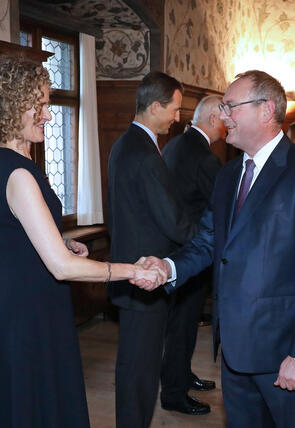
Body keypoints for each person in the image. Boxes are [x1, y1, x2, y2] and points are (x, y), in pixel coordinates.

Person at [0, 55, 162, 427]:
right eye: (38, 106)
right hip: (28, 317)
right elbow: (60, 266)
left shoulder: (15, 163)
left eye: (46, 105)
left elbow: (22, 236)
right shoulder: (18, 173)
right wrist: (131, 269)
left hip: (40, 308)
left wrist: (60, 241)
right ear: (10, 106)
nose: (48, 115)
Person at [141, 70, 295, 427]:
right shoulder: (228, 174)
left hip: (285, 352)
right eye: (222, 107)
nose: (223, 116)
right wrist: (168, 268)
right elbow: (208, 241)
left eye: (231, 106)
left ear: (266, 110)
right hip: (234, 350)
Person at [106, 71, 207, 427]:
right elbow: (174, 222)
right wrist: (211, 239)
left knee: (136, 368)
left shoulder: (127, 144)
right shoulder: (144, 153)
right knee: (139, 372)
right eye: (174, 109)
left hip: (135, 274)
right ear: (154, 106)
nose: (177, 118)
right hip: (143, 276)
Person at [159, 95, 225, 407]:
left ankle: (181, 376)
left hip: (174, 248)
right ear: (214, 119)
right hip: (193, 252)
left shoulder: (174, 146)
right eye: (224, 117)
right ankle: (174, 393)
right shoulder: (205, 158)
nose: (227, 125)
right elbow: (221, 210)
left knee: (181, 325)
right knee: (182, 326)